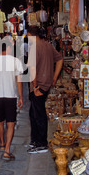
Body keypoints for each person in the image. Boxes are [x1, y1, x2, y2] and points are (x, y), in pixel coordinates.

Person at [26, 26, 63, 154]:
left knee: (39, 115)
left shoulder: (34, 47)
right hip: (46, 84)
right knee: (34, 113)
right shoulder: (47, 45)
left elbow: (32, 69)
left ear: (32, 35)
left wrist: (35, 86)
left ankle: (42, 143)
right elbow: (60, 59)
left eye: (28, 35)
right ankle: (35, 141)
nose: (27, 37)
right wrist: (54, 77)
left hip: (39, 85)